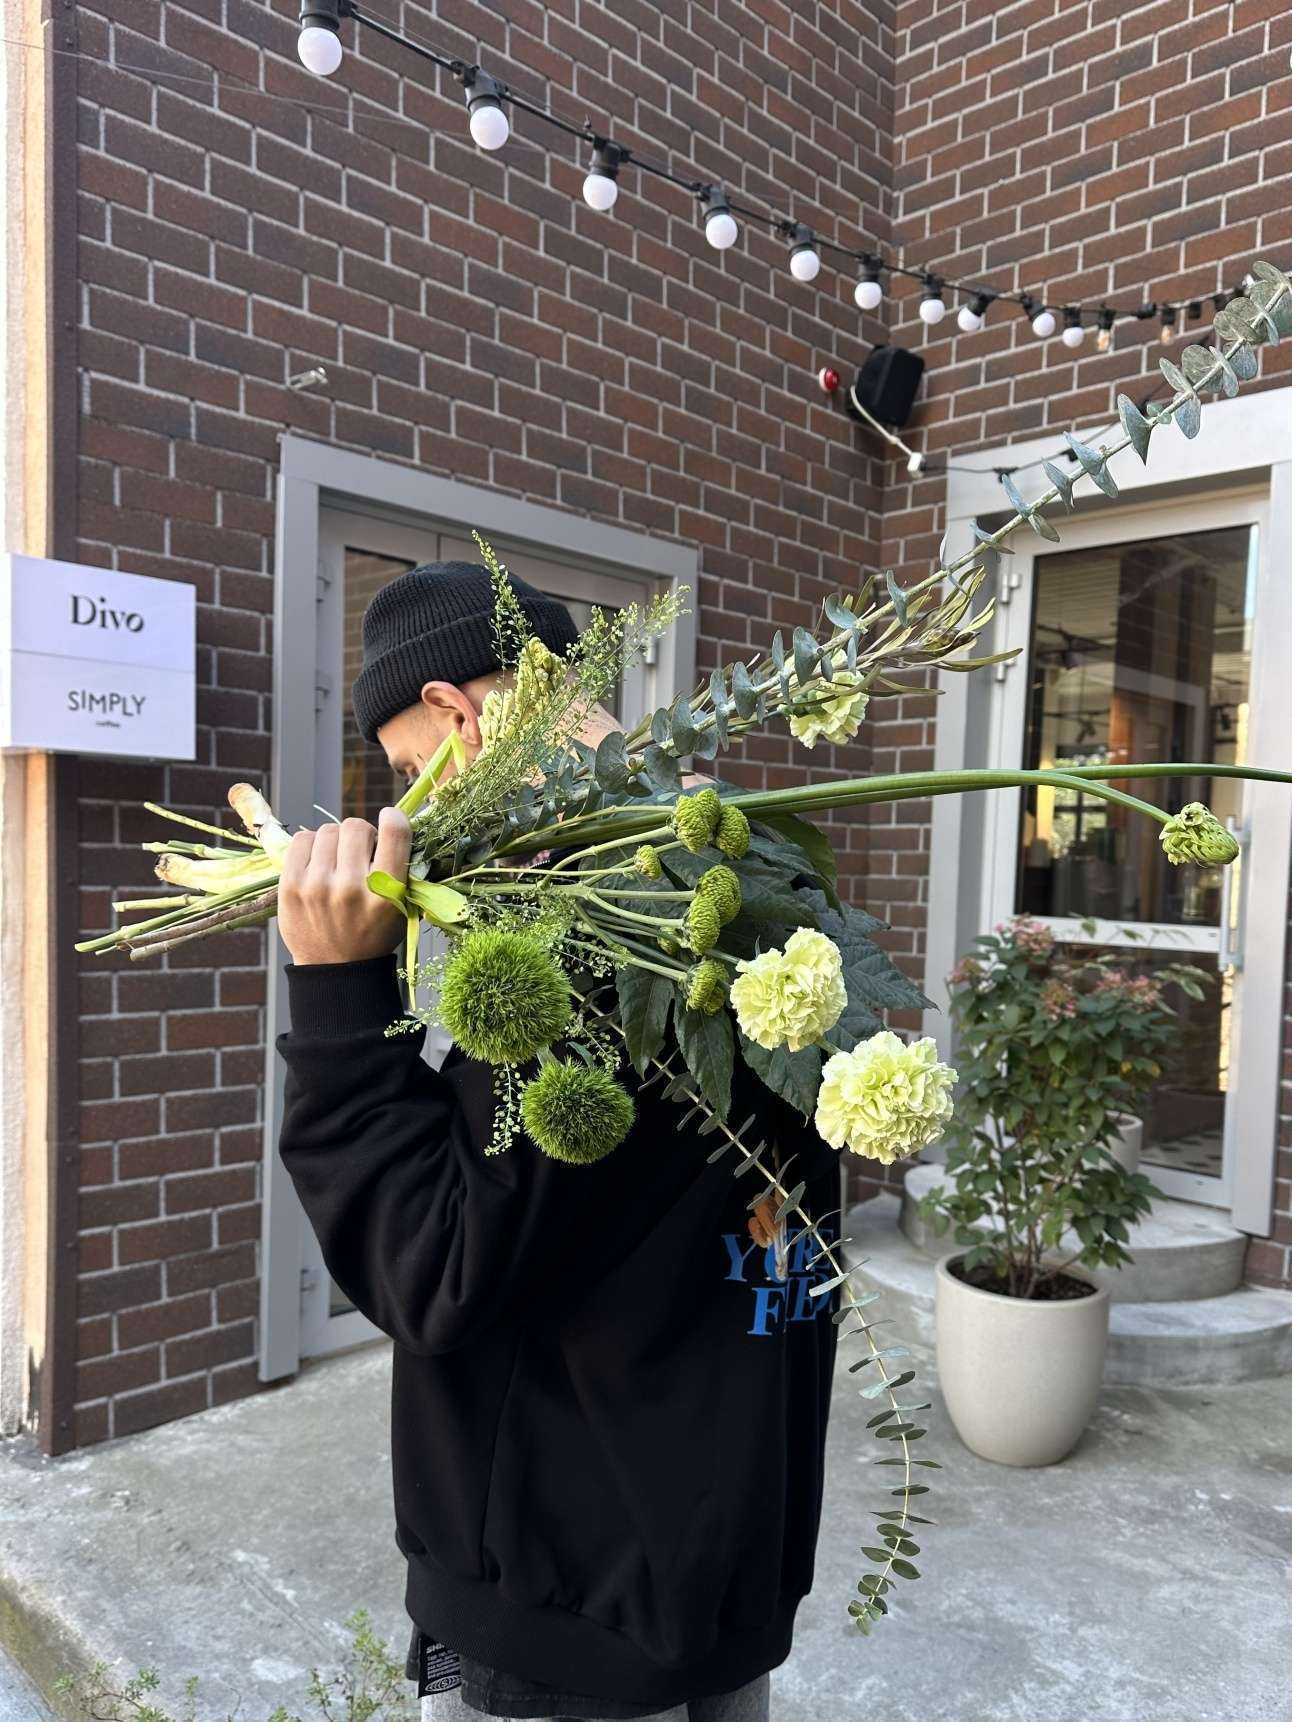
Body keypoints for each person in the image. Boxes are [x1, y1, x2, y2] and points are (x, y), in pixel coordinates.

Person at [275, 562, 841, 1722]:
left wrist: (338, 1000)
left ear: (458, 715)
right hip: (731, 1547)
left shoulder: (584, 954)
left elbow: (435, 1267)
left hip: (566, 1593)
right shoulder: (754, 893)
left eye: (402, 776)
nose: (410, 817)